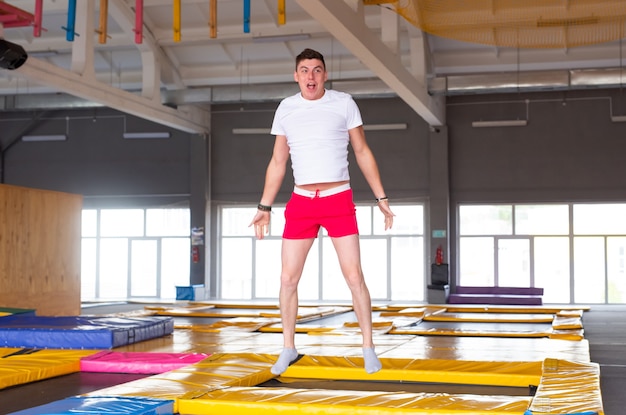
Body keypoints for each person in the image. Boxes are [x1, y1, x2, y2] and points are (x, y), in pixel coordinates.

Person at [249, 48, 395, 375]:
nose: (311, 76)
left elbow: (362, 151)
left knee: (354, 276)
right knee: (287, 278)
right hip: (301, 201)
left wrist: (380, 196)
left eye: (317, 70)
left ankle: (368, 346)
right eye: (304, 70)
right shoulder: (286, 109)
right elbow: (277, 161)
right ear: (296, 75)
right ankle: (288, 347)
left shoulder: (343, 103)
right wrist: (264, 206)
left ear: (325, 75)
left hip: (338, 198)